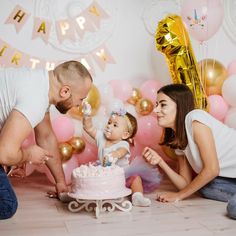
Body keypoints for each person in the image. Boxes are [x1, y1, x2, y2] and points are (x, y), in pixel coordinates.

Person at [0, 61, 93, 219]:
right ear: (65, 91)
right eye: (80, 99)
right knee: (7, 204)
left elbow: (46, 137)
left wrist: (60, 183)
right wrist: (28, 155)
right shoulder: (35, 99)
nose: (79, 105)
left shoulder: (40, 84)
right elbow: (5, 154)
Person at [142, 83, 236, 220]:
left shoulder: (195, 119)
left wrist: (178, 196)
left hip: (219, 173)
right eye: (157, 104)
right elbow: (185, 184)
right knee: (205, 187)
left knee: (233, 208)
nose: (156, 110)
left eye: (162, 105)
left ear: (179, 106)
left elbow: (212, 169)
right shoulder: (179, 139)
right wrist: (160, 162)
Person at [82, 103, 152, 207]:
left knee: (136, 179)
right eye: (109, 122)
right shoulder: (101, 137)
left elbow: (121, 152)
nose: (109, 126)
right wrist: (87, 115)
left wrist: (114, 155)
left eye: (115, 125)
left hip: (123, 175)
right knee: (88, 179)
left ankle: (137, 196)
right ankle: (78, 195)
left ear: (125, 135)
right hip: (105, 174)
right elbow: (89, 128)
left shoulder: (123, 144)